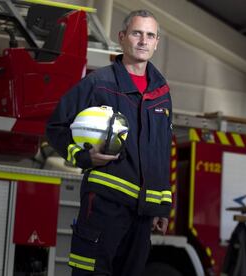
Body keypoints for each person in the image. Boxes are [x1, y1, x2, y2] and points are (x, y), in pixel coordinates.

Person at [46, 9, 172, 276]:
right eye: (137, 33)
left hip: (143, 214)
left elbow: (161, 151)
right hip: (104, 206)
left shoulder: (161, 92)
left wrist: (162, 206)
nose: (143, 41)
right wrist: (83, 157)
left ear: (157, 42)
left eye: (150, 35)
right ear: (122, 37)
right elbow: (56, 127)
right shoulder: (98, 83)